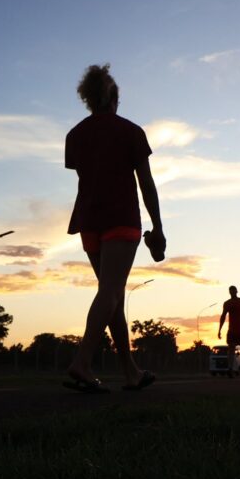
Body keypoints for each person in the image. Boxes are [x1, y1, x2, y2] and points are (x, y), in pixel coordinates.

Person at [64, 64, 165, 393]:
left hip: (88, 221)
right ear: (114, 97)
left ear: (88, 98)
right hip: (121, 217)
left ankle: (130, 372)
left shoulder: (75, 135)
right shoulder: (131, 131)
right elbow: (146, 183)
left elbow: (86, 176)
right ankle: (82, 361)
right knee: (110, 292)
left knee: (113, 297)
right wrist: (158, 226)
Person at [218, 286, 240, 378]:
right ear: (229, 292)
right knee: (231, 350)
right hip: (233, 330)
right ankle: (230, 369)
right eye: (231, 291)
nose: (232, 292)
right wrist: (219, 330)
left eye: (233, 291)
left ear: (236, 291)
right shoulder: (227, 303)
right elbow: (223, 316)